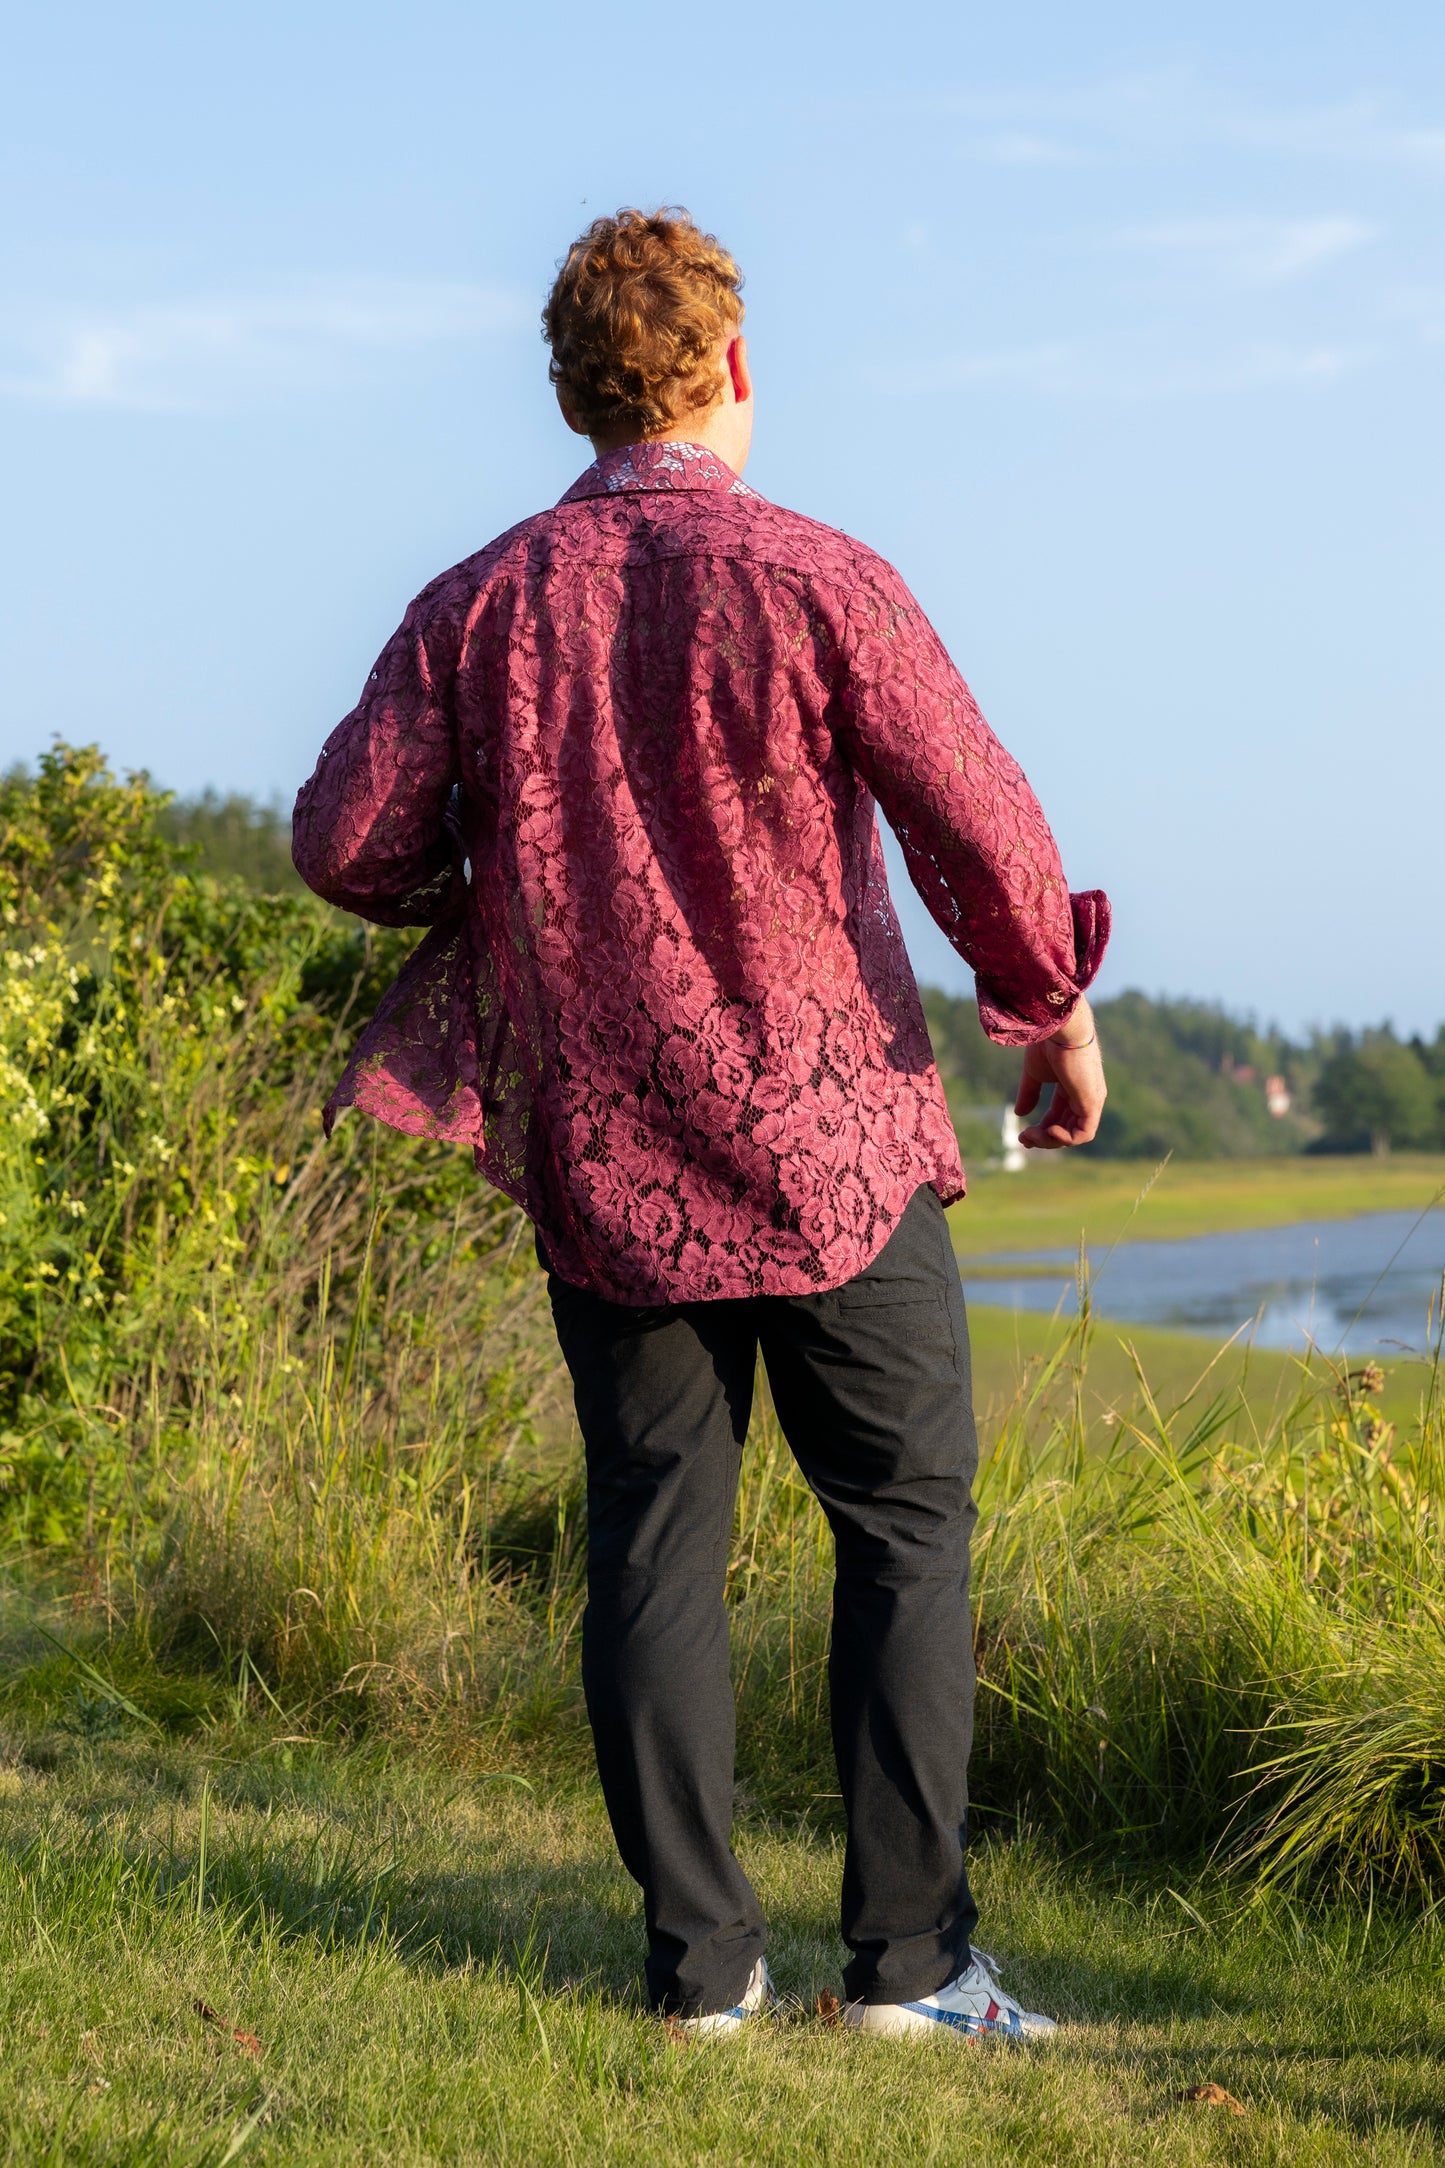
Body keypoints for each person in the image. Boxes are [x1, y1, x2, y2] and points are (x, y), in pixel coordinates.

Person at [292, 207, 1109, 2041]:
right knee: (901, 1524)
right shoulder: (820, 576)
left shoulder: (478, 603)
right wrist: (1046, 1010)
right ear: (735, 367)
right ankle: (908, 1974)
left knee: (657, 1532)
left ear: (576, 394)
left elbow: (343, 837)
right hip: (833, 1144)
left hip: (604, 1146)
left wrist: (507, 871)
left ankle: (703, 1980)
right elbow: (979, 820)